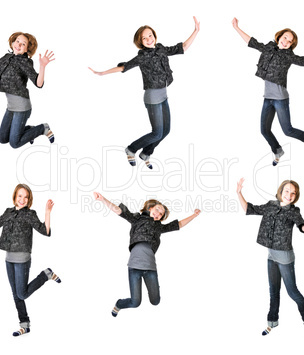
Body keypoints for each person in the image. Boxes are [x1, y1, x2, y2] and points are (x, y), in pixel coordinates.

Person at [89, 17, 200, 169]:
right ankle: (131, 149)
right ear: (140, 41)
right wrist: (102, 73)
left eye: (150, 35)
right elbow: (124, 67)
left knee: (166, 131)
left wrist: (196, 31)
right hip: (152, 97)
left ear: (154, 35)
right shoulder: (143, 56)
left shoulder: (161, 49)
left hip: (163, 95)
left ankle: (146, 153)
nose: (148, 39)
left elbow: (183, 47)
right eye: (144, 38)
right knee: (156, 133)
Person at [236, 178, 304, 338]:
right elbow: (249, 209)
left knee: (292, 292)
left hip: (285, 257)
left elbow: (302, 225)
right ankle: (272, 322)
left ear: (295, 196)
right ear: (281, 191)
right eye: (287, 190)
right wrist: (239, 192)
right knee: (273, 291)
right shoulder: (271, 205)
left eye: (293, 193)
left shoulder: (293, 211)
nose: (289, 194)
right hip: (271, 255)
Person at [232, 18, 304, 165]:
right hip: (267, 98)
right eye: (285, 37)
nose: (286, 41)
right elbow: (252, 42)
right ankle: (278, 150)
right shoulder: (269, 47)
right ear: (279, 37)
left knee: (288, 130)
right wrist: (236, 27)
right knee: (264, 130)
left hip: (280, 99)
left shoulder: (288, 56)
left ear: (291, 45)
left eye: (290, 41)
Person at [94, 192, 200, 316]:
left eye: (161, 214)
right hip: (134, 267)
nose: (158, 214)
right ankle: (119, 304)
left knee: (155, 301)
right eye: (157, 210)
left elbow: (179, 224)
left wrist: (194, 215)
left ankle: (153, 290)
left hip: (150, 268)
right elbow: (119, 211)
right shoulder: (137, 219)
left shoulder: (159, 228)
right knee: (135, 302)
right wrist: (103, 200)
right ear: (150, 208)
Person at [0, 184, 61, 336]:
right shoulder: (8, 212)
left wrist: (47, 212)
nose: (22, 199)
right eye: (20, 196)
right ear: (15, 196)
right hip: (8, 259)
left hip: (22, 259)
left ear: (29, 200)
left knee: (22, 294)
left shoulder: (30, 214)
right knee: (16, 295)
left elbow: (45, 230)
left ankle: (45, 275)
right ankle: (25, 325)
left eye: (26, 197)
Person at [0, 32, 55, 148]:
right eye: (17, 41)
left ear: (27, 49)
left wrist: (42, 67)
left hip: (22, 107)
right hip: (11, 107)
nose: (19, 44)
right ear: (13, 42)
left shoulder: (25, 62)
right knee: (3, 138)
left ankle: (43, 128)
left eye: (23, 44)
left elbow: (38, 83)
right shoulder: (7, 58)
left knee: (14, 143)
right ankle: (30, 131)